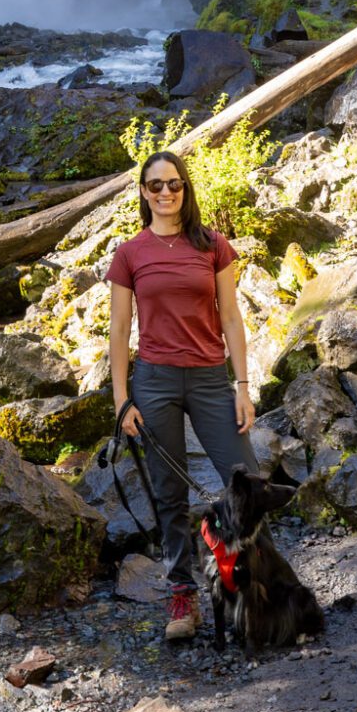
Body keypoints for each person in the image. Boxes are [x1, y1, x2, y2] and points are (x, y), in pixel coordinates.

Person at [107, 149, 258, 642]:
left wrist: (242, 385)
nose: (166, 193)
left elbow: (232, 317)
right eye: (156, 186)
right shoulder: (130, 254)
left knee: (247, 482)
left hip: (213, 379)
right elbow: (119, 331)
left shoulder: (213, 245)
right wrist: (121, 400)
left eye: (174, 184)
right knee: (168, 493)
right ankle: (182, 596)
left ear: (185, 189)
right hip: (155, 382)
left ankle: (255, 589)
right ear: (144, 193)